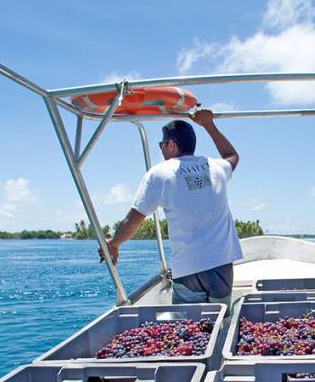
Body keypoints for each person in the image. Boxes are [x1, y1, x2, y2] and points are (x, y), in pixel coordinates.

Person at [101, 108, 243, 305]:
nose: (160, 148)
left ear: (171, 144)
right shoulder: (215, 167)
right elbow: (232, 155)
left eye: (162, 144)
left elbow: (132, 221)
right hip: (221, 264)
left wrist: (114, 243)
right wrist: (209, 125)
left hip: (188, 267)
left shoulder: (159, 174)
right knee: (220, 322)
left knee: (188, 327)